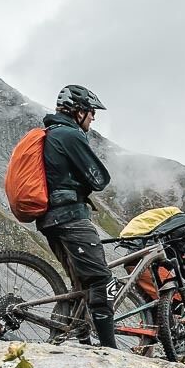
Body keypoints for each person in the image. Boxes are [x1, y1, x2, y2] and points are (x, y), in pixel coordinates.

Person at [37, 84, 115, 348]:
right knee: (100, 280)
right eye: (92, 112)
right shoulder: (70, 135)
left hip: (49, 218)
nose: (93, 118)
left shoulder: (52, 133)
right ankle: (110, 349)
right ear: (78, 111)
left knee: (80, 283)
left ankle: (78, 339)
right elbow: (99, 178)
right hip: (69, 216)